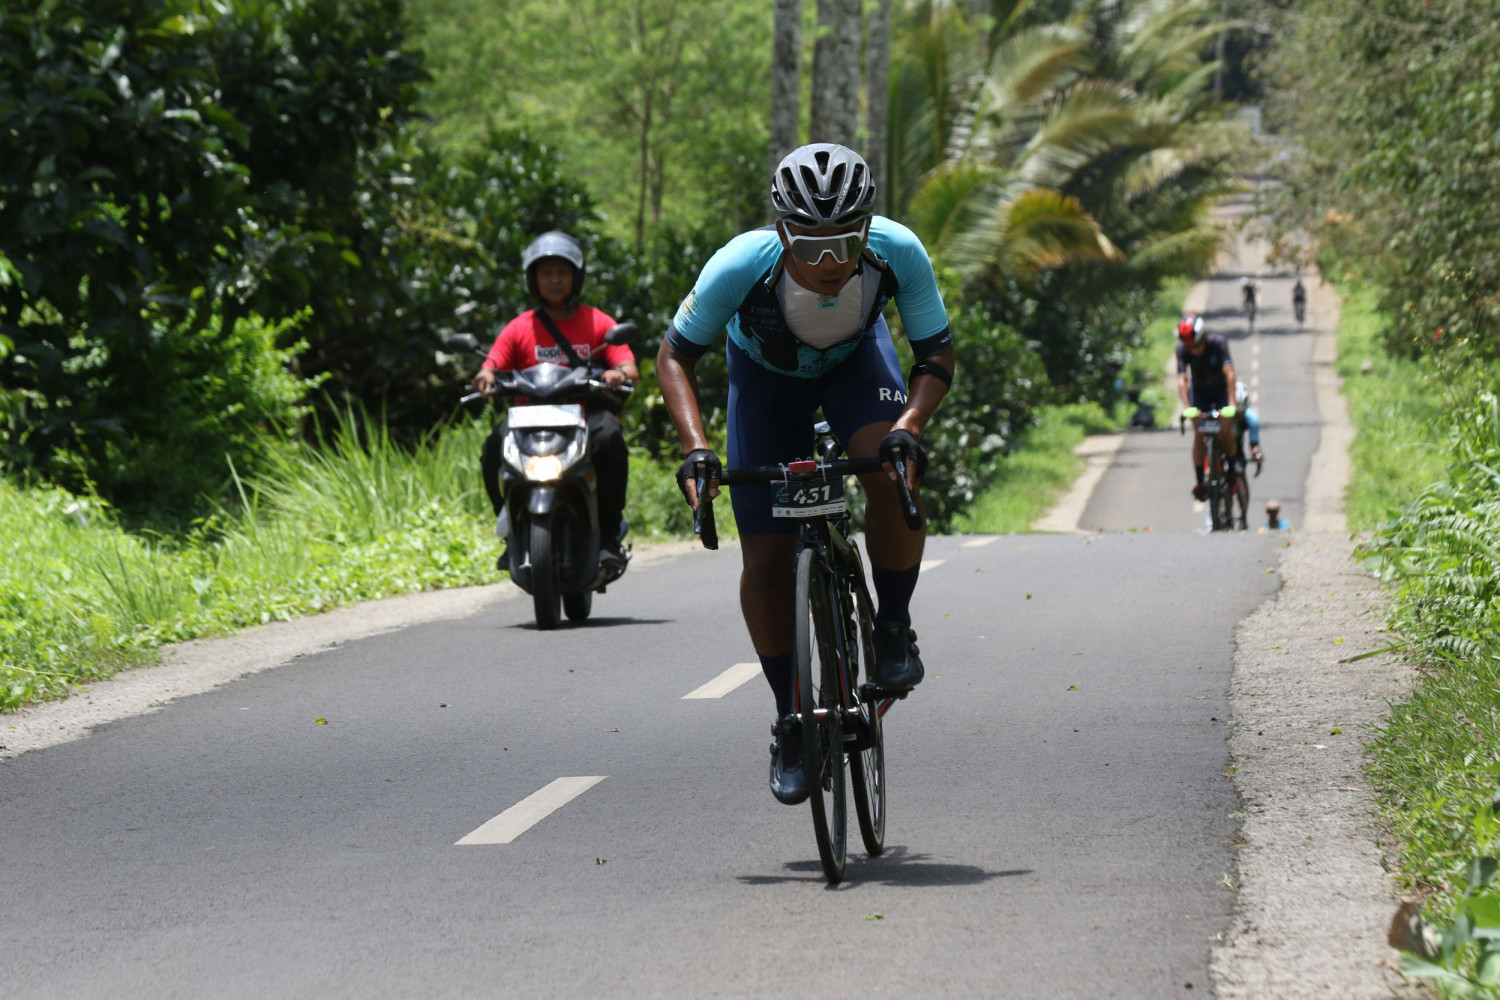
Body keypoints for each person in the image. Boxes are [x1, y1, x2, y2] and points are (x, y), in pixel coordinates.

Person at [656, 143, 955, 806]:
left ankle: (893, 627)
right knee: (765, 561)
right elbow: (674, 356)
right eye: (810, 246)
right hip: (765, 385)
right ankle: (791, 721)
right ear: (781, 232)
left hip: (857, 368)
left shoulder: (898, 252)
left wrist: (909, 425)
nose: (829, 264)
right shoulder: (740, 263)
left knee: (890, 474)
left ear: (868, 231)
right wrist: (697, 447)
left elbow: (935, 352)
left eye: (845, 244)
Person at [473, 231, 639, 570]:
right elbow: (491, 363)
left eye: (562, 272)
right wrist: (486, 375)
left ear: (576, 277)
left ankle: (608, 535)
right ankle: (510, 530)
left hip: (584, 415)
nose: (554, 279)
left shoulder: (597, 321)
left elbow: (628, 366)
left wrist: (618, 374)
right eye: (546, 272)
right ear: (533, 279)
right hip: (529, 417)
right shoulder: (519, 327)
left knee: (610, 437)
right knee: (493, 446)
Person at [1176, 312, 1238, 500]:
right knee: (1199, 432)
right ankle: (1200, 481)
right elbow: (1182, 379)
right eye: (1190, 347)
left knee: (1225, 429)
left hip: (1221, 390)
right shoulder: (1182, 349)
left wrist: (1231, 403)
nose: (1193, 351)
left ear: (1204, 336)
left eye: (1196, 346)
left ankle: (1232, 473)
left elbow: (1230, 374)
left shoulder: (1218, 343)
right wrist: (1187, 406)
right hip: (1200, 391)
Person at [1232, 381, 1264, 474]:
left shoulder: (1252, 418)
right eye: (1235, 414)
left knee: (1240, 471)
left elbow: (1254, 444)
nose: (1237, 417)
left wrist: (1257, 455)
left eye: (1241, 413)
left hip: (1237, 443)